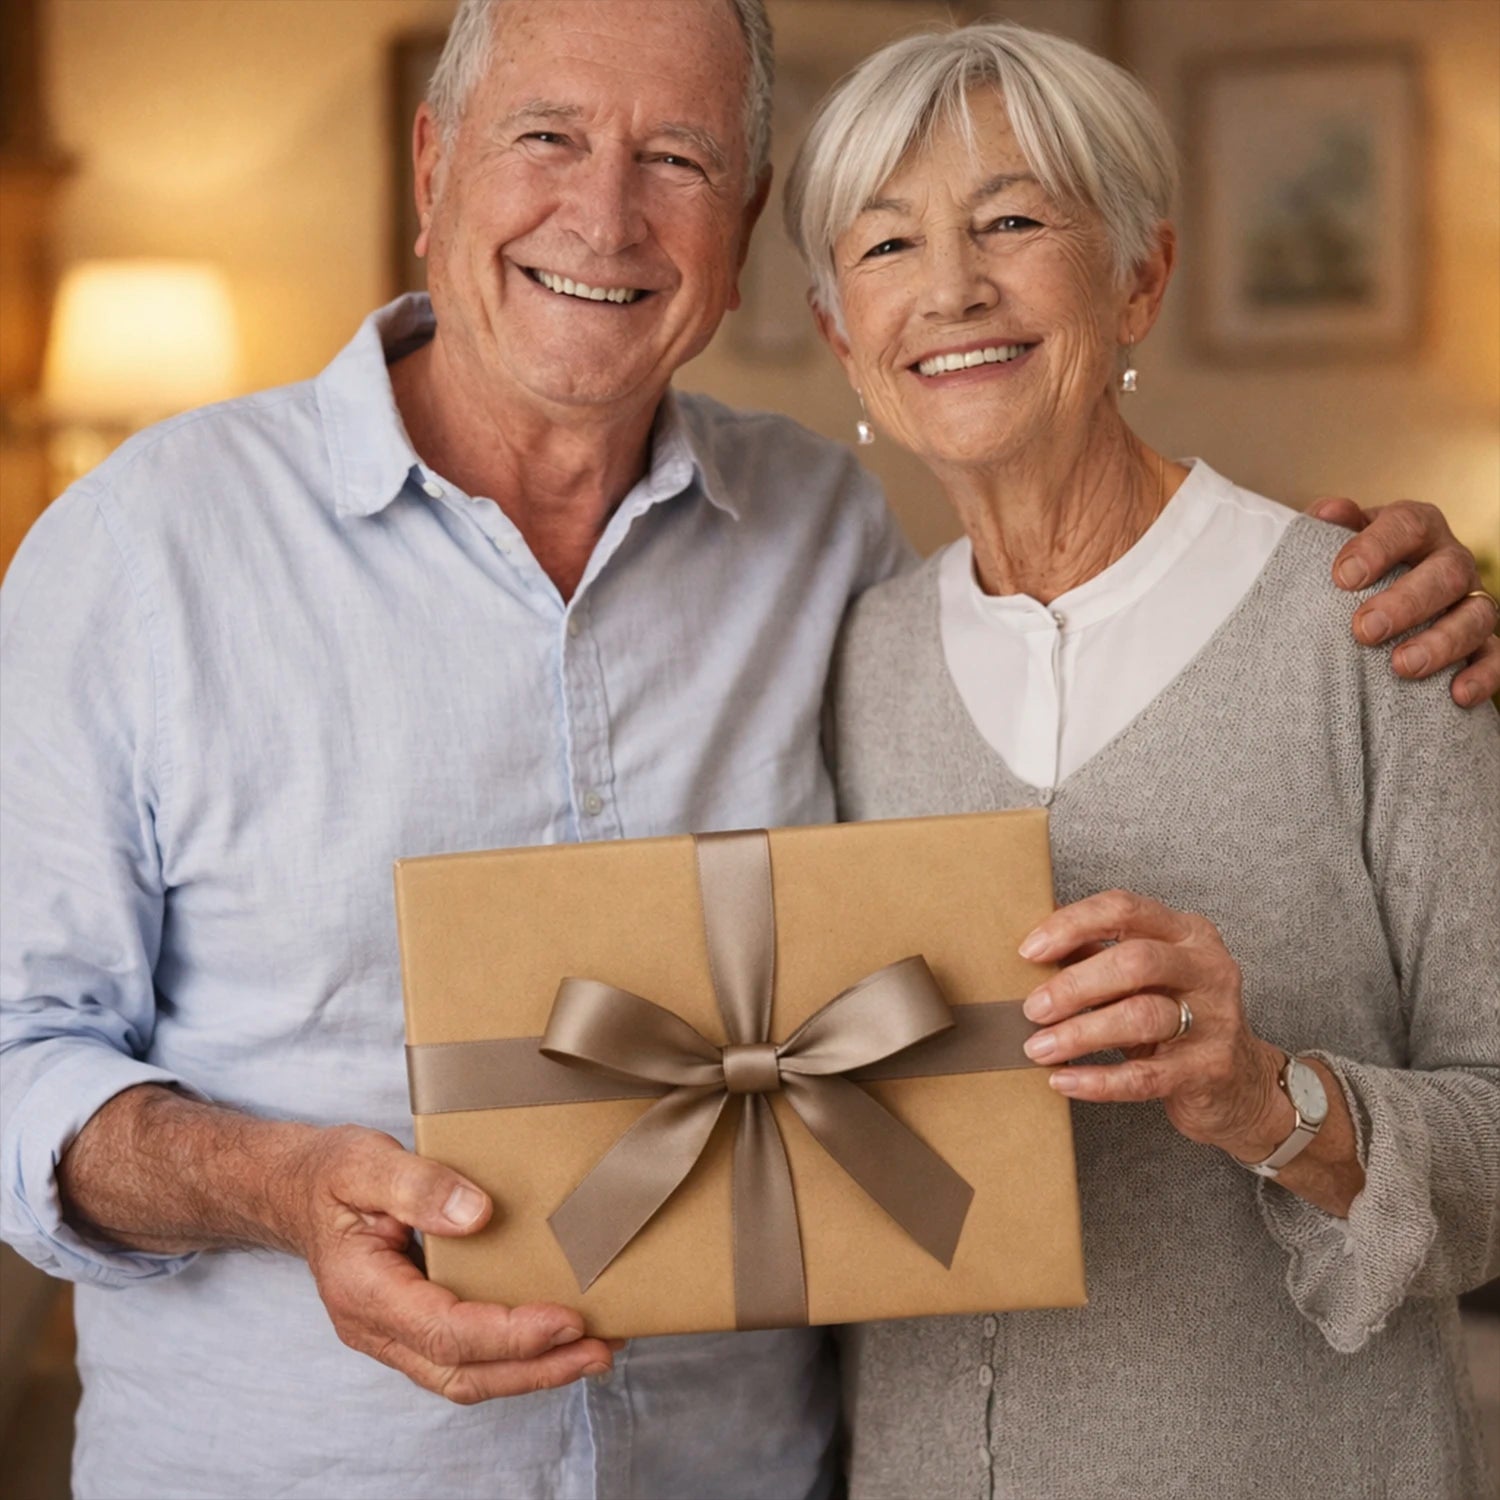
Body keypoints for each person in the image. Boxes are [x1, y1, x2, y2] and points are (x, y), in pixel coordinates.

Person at [0, 3, 1492, 1499]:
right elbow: (16, 1061)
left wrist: (1286, 1090)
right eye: (548, 136)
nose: (604, 211)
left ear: (743, 228)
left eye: (678, 155)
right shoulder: (144, 553)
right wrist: (276, 1191)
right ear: (433, 159)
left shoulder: (826, 550)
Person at [785, 21, 1500, 1499]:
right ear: (840, 334)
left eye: (1013, 221)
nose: (953, 288)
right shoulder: (845, 668)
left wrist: (1272, 1101)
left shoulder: (1371, 624)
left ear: (1139, 277)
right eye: (888, 244)